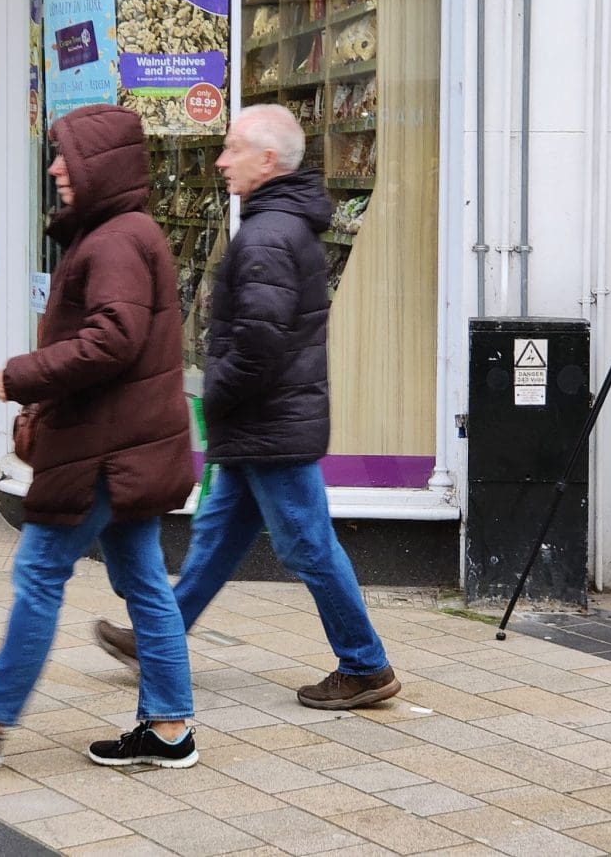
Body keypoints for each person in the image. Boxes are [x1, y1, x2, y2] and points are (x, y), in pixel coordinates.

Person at [0, 102, 199, 771]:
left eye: (68, 157)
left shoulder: (117, 238)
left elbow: (112, 339)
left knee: (40, 571)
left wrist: (21, 376)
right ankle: (170, 727)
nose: (58, 169)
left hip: (104, 448)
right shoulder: (123, 231)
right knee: (144, 578)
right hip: (125, 441)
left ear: (103, 165)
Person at [95, 103, 400, 709]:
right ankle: (162, 633)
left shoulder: (266, 235)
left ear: (267, 160)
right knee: (216, 534)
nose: (220, 160)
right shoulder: (279, 225)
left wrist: (218, 390)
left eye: (233, 148)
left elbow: (260, 340)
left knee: (307, 545)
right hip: (265, 420)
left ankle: (365, 664)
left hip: (269, 422)